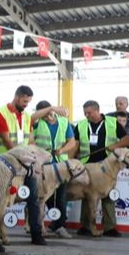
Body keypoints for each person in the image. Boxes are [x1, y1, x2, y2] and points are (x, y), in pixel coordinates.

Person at [0, 85, 67, 246]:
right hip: (7, 164)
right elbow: (7, 141)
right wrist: (23, 158)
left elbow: (30, 138)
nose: (26, 105)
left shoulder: (26, 116)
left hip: (26, 165)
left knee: (33, 198)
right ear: (17, 97)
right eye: (25, 101)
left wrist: (31, 158)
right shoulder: (0, 113)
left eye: (28, 102)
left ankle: (36, 234)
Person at [74, 101, 129, 237]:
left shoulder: (112, 122)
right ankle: (86, 226)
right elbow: (75, 144)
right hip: (87, 165)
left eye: (89, 112)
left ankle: (109, 227)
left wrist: (115, 145)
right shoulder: (81, 124)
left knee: (108, 194)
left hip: (107, 166)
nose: (86, 115)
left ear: (97, 110)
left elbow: (127, 139)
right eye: (85, 113)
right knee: (87, 195)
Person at [32, 100, 77, 239]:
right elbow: (33, 117)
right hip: (43, 164)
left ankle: (60, 225)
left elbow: (72, 141)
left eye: (49, 112)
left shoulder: (64, 122)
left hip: (59, 165)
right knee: (45, 197)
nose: (47, 115)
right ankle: (42, 225)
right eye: (44, 113)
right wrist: (51, 108)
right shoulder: (37, 122)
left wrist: (62, 150)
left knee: (61, 196)